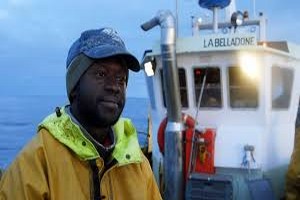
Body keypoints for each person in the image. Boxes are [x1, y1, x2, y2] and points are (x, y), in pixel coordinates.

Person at [0, 27, 162, 200]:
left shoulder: (138, 164)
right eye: (101, 74)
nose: (114, 87)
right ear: (75, 86)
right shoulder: (36, 163)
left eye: (121, 79)